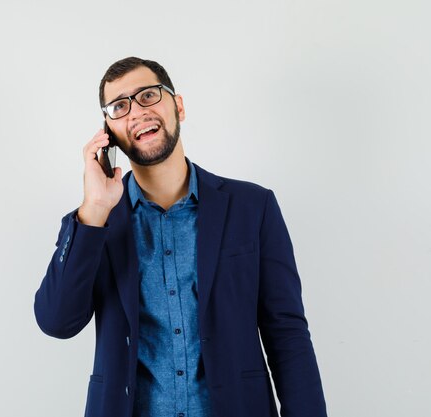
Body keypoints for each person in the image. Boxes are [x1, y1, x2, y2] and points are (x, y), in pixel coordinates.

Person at [34, 57, 327, 417]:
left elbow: (287, 335)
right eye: (119, 106)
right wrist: (94, 210)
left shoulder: (253, 207)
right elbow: (56, 322)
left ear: (179, 106)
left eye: (148, 96)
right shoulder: (99, 222)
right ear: (108, 132)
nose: (137, 112)